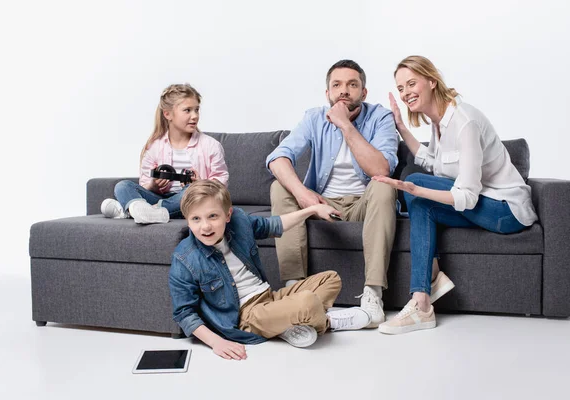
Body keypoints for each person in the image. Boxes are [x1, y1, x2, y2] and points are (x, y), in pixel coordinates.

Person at [374, 55, 538, 335]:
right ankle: (423, 300)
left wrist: (417, 190)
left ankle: (428, 289)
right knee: (420, 201)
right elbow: (432, 161)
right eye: (400, 88)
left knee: (414, 187)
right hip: (485, 205)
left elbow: (468, 198)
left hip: (506, 211)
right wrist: (401, 126)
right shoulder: (437, 122)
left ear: (431, 81)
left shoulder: (464, 122)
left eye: (411, 83)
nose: (405, 93)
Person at [169, 180, 371, 360]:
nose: (205, 226)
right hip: (247, 316)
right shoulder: (184, 258)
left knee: (331, 279)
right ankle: (328, 322)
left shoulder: (239, 221)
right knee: (308, 301)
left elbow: (275, 225)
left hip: (270, 297)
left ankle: (285, 325)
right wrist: (216, 342)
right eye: (196, 219)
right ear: (187, 219)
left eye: (213, 216)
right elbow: (184, 313)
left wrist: (313, 210)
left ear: (228, 214)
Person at [266, 59, 399, 328]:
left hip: (365, 203)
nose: (344, 91)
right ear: (327, 93)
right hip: (322, 204)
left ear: (364, 92)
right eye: (336, 85)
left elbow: (381, 169)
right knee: (280, 186)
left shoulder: (380, 117)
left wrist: (345, 126)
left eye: (352, 84)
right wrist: (304, 195)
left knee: (385, 183)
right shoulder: (314, 117)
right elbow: (277, 158)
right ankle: (295, 289)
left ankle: (373, 294)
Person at [100, 83, 229, 224]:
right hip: (160, 197)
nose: (195, 116)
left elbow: (221, 183)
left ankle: (135, 211)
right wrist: (153, 186)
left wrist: (201, 185)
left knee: (190, 191)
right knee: (123, 186)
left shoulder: (211, 145)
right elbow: (144, 184)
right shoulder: (154, 147)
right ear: (167, 114)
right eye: (187, 110)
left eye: (197, 110)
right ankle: (145, 211)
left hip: (192, 200)